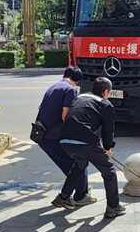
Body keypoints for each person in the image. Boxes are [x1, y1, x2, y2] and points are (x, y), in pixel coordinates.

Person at [52, 77, 126, 219]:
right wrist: (107, 147)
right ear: (105, 91)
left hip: (64, 140)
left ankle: (63, 196)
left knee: (80, 165)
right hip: (85, 141)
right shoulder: (105, 104)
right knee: (109, 171)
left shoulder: (80, 97)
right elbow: (108, 130)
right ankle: (113, 207)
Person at [36, 66, 95, 205]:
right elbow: (65, 116)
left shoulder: (53, 87)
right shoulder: (70, 90)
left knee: (68, 164)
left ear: (64, 75)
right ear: (77, 82)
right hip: (54, 136)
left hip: (43, 135)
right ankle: (81, 195)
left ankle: (81, 189)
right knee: (78, 163)